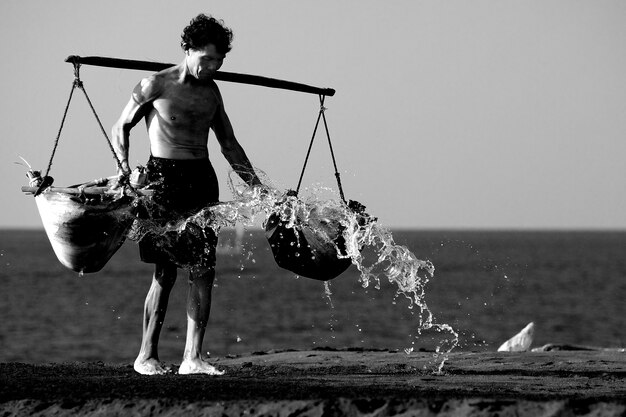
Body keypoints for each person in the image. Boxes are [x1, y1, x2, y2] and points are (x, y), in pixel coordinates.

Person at [111, 14, 262, 376]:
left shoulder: (212, 93)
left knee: (204, 269)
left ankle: (192, 358)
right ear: (188, 50)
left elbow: (228, 144)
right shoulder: (154, 85)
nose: (211, 67)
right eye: (206, 59)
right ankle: (146, 356)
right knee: (165, 272)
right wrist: (124, 168)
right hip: (163, 180)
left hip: (201, 180)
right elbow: (121, 127)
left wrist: (256, 186)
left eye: (218, 62)